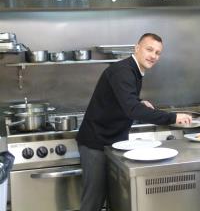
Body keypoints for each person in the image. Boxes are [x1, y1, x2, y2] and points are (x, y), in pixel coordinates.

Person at [76, 33, 192, 211]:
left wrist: (138, 102)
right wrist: (173, 117)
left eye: (158, 53)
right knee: (93, 202)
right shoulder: (123, 70)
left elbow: (125, 100)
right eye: (149, 49)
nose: (153, 55)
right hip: (95, 142)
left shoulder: (134, 70)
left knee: (113, 199)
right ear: (136, 48)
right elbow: (132, 110)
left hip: (112, 142)